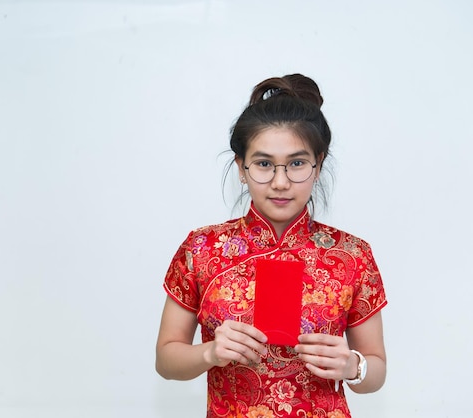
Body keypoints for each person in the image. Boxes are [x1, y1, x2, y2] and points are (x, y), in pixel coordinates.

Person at [155, 74, 387, 418]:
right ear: (241, 168)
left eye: (296, 163)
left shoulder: (352, 255)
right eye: (264, 164)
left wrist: (354, 366)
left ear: (318, 165)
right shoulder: (201, 249)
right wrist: (210, 353)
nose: (280, 182)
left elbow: (377, 369)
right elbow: (166, 360)